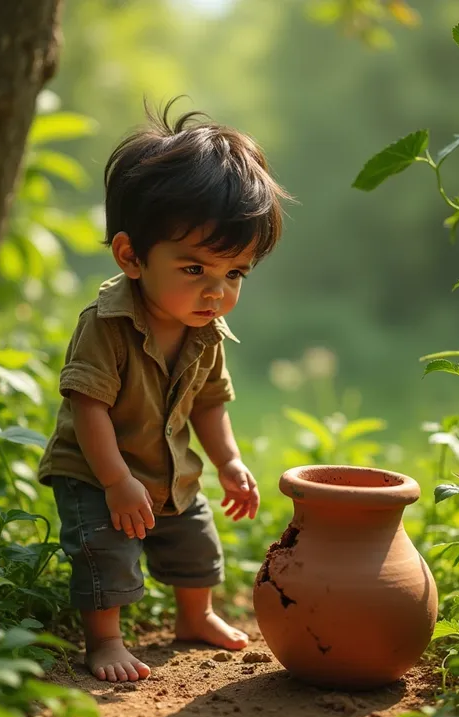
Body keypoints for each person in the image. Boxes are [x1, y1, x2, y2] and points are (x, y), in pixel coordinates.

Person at [38, 99, 290, 683]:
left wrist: (228, 460)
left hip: (167, 472)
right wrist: (116, 481)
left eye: (235, 274)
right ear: (132, 256)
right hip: (96, 472)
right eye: (195, 269)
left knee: (196, 547)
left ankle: (195, 616)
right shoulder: (107, 323)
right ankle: (104, 640)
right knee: (107, 556)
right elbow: (89, 406)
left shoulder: (207, 331)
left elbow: (209, 402)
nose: (217, 292)